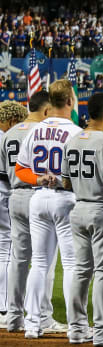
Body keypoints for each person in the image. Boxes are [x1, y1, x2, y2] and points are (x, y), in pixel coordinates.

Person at [15, 80, 83, 339]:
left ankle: (33, 325)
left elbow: (20, 170)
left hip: (38, 198)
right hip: (65, 200)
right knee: (70, 264)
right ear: (69, 101)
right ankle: (76, 326)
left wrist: (39, 179)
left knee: (39, 264)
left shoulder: (34, 130)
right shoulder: (75, 132)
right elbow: (79, 177)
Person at [62, 92, 103, 345]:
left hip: (78, 210)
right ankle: (102, 330)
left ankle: (77, 329)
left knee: (81, 270)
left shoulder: (73, 141)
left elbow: (66, 182)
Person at [0, 93, 66, 333]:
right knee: (44, 260)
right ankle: (43, 316)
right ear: (47, 110)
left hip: (15, 196)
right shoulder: (45, 132)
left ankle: (14, 315)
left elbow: (2, 175)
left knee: (18, 258)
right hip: (41, 195)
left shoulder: (8, 134)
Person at [0, 101, 28, 327]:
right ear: (11, 121)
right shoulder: (4, 137)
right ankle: (4, 303)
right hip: (3, 195)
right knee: (6, 249)